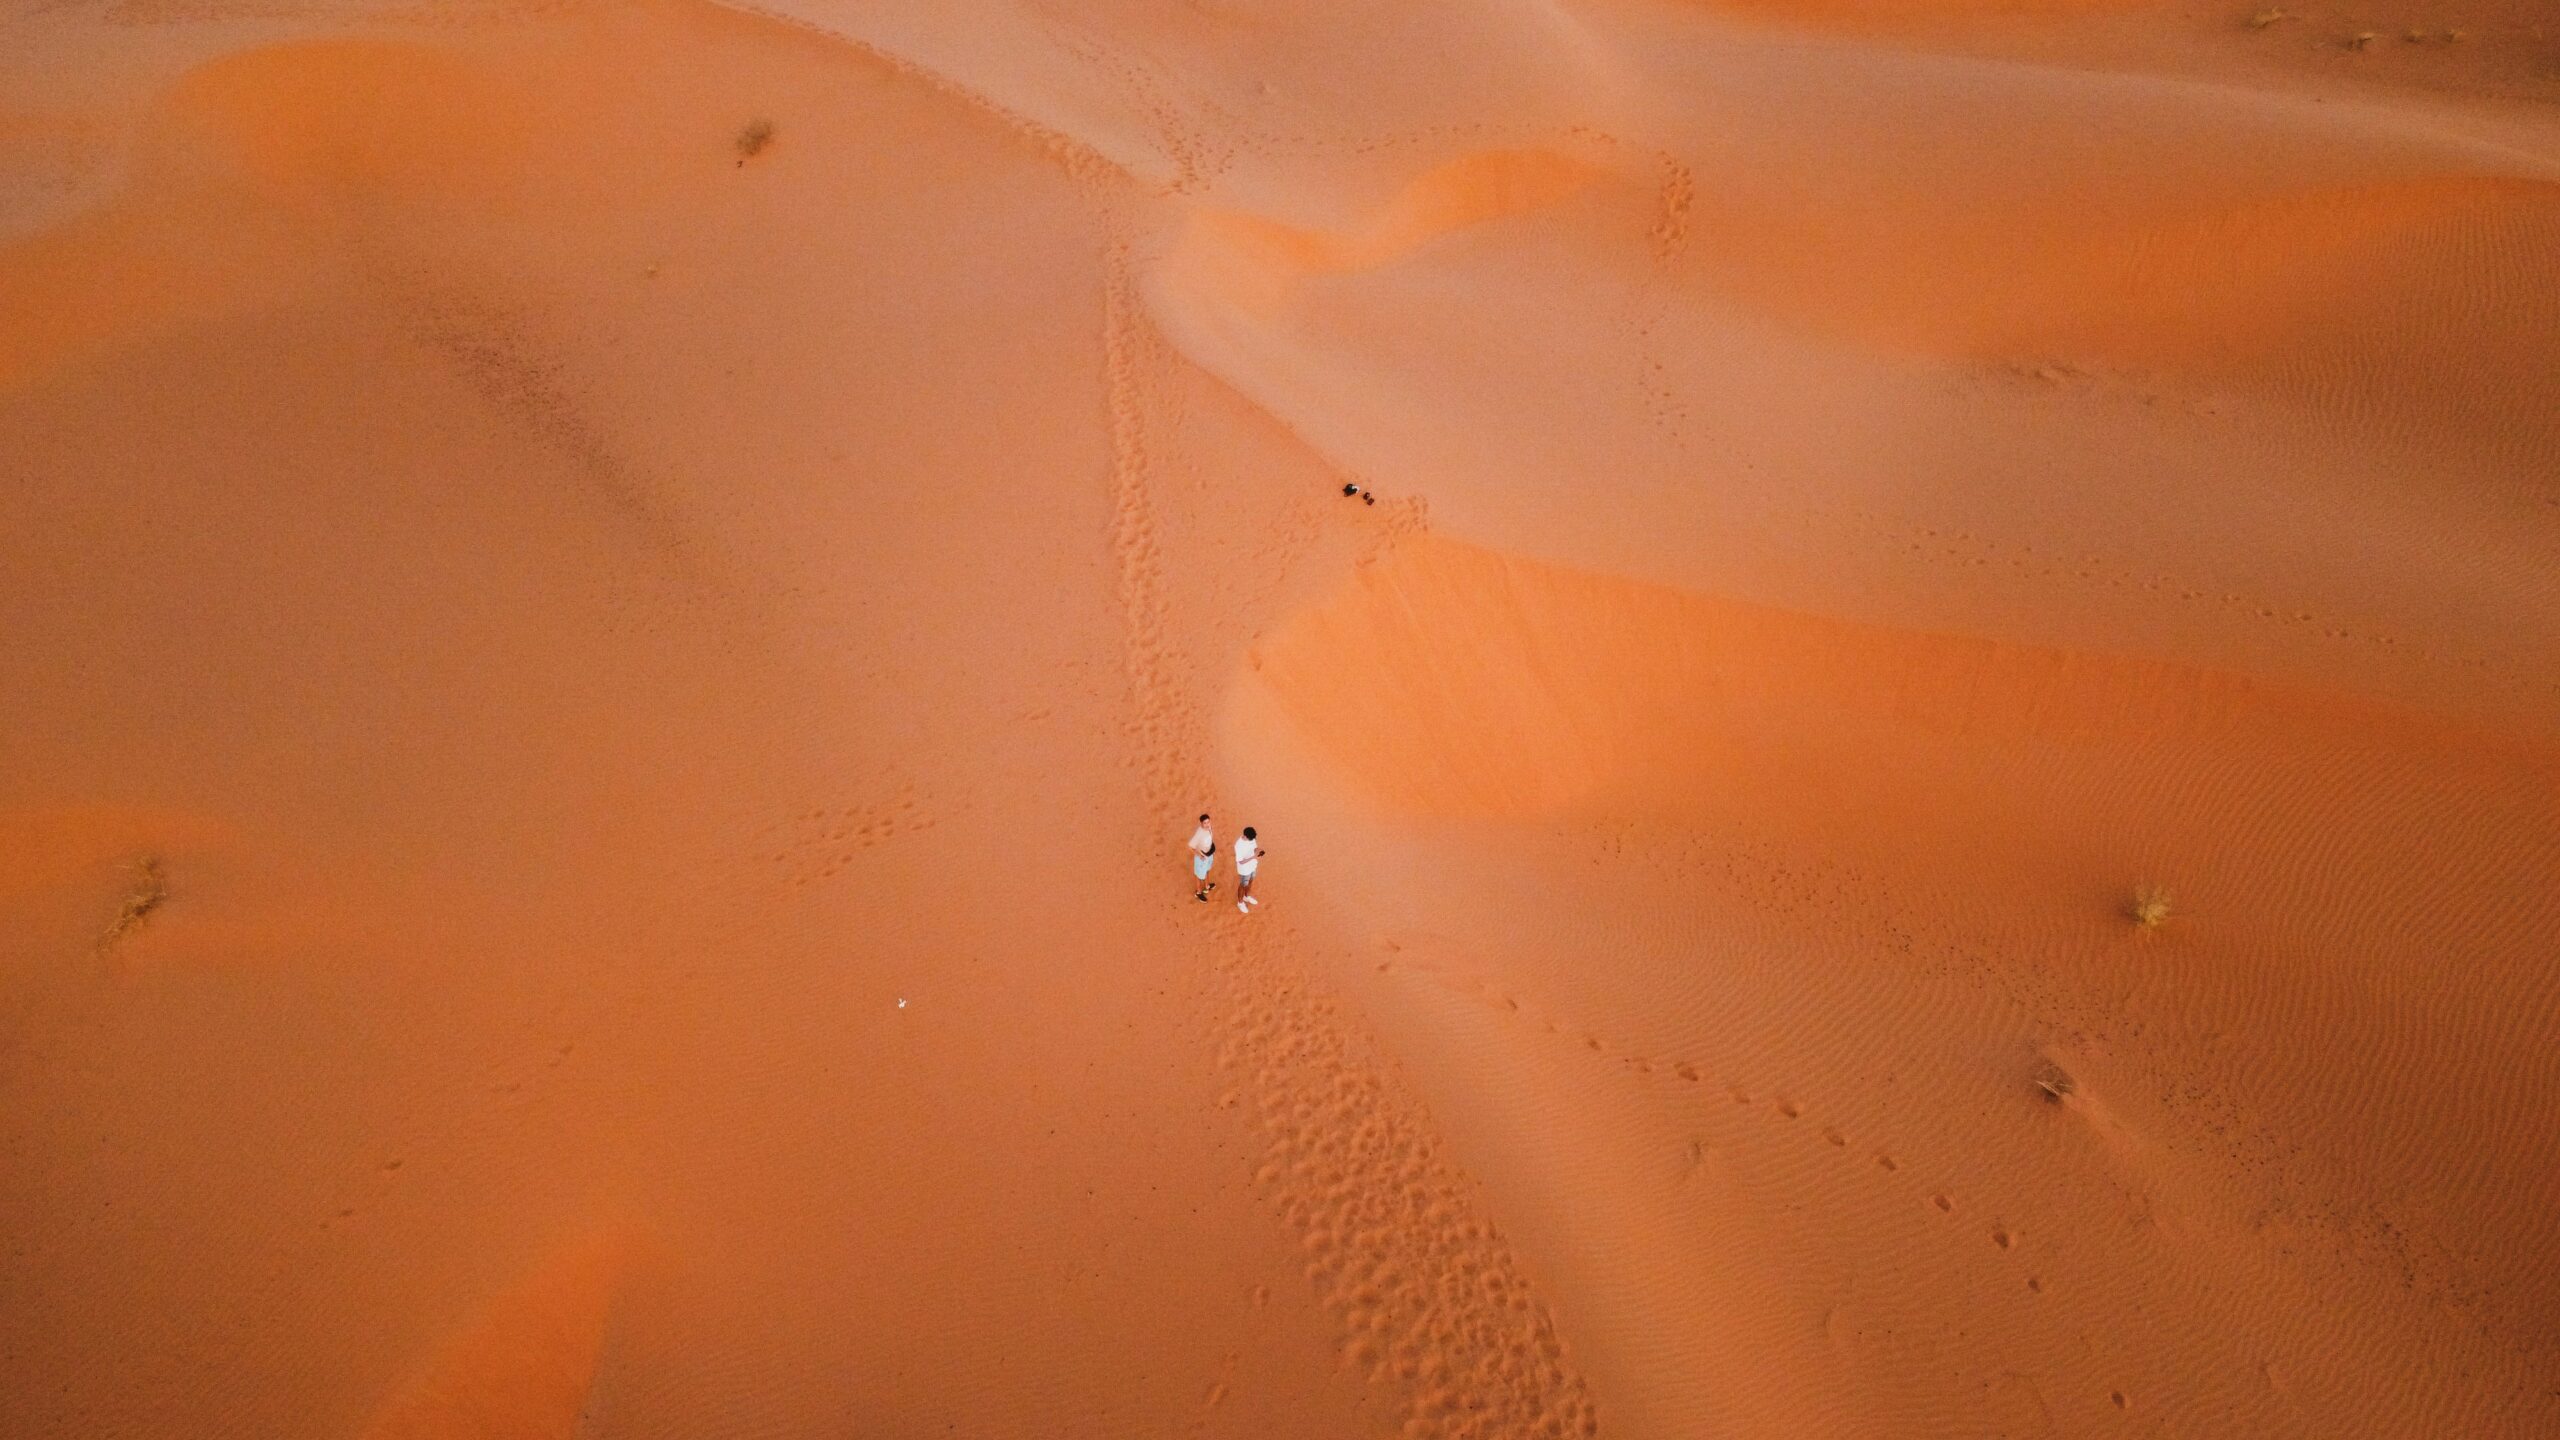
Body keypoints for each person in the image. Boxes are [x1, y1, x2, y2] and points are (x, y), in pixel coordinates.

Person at [1234, 826, 1264, 912]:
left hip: (1253, 866)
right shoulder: (1239, 845)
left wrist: (1259, 850)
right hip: (1244, 869)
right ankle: (1240, 903)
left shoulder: (1252, 838)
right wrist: (1254, 857)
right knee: (1243, 885)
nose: (1253, 840)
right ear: (1245, 836)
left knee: (1250, 881)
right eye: (1251, 838)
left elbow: (1254, 848)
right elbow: (1240, 861)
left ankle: (1246, 897)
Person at [1189, 813, 1217, 901]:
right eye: (1205, 823)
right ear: (1201, 823)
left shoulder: (1209, 828)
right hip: (1202, 858)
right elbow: (1190, 846)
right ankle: (1198, 892)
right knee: (1199, 875)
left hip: (1209, 854)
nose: (1207, 824)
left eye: (1208, 822)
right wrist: (1199, 855)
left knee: (1207, 870)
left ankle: (1207, 886)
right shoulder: (1199, 834)